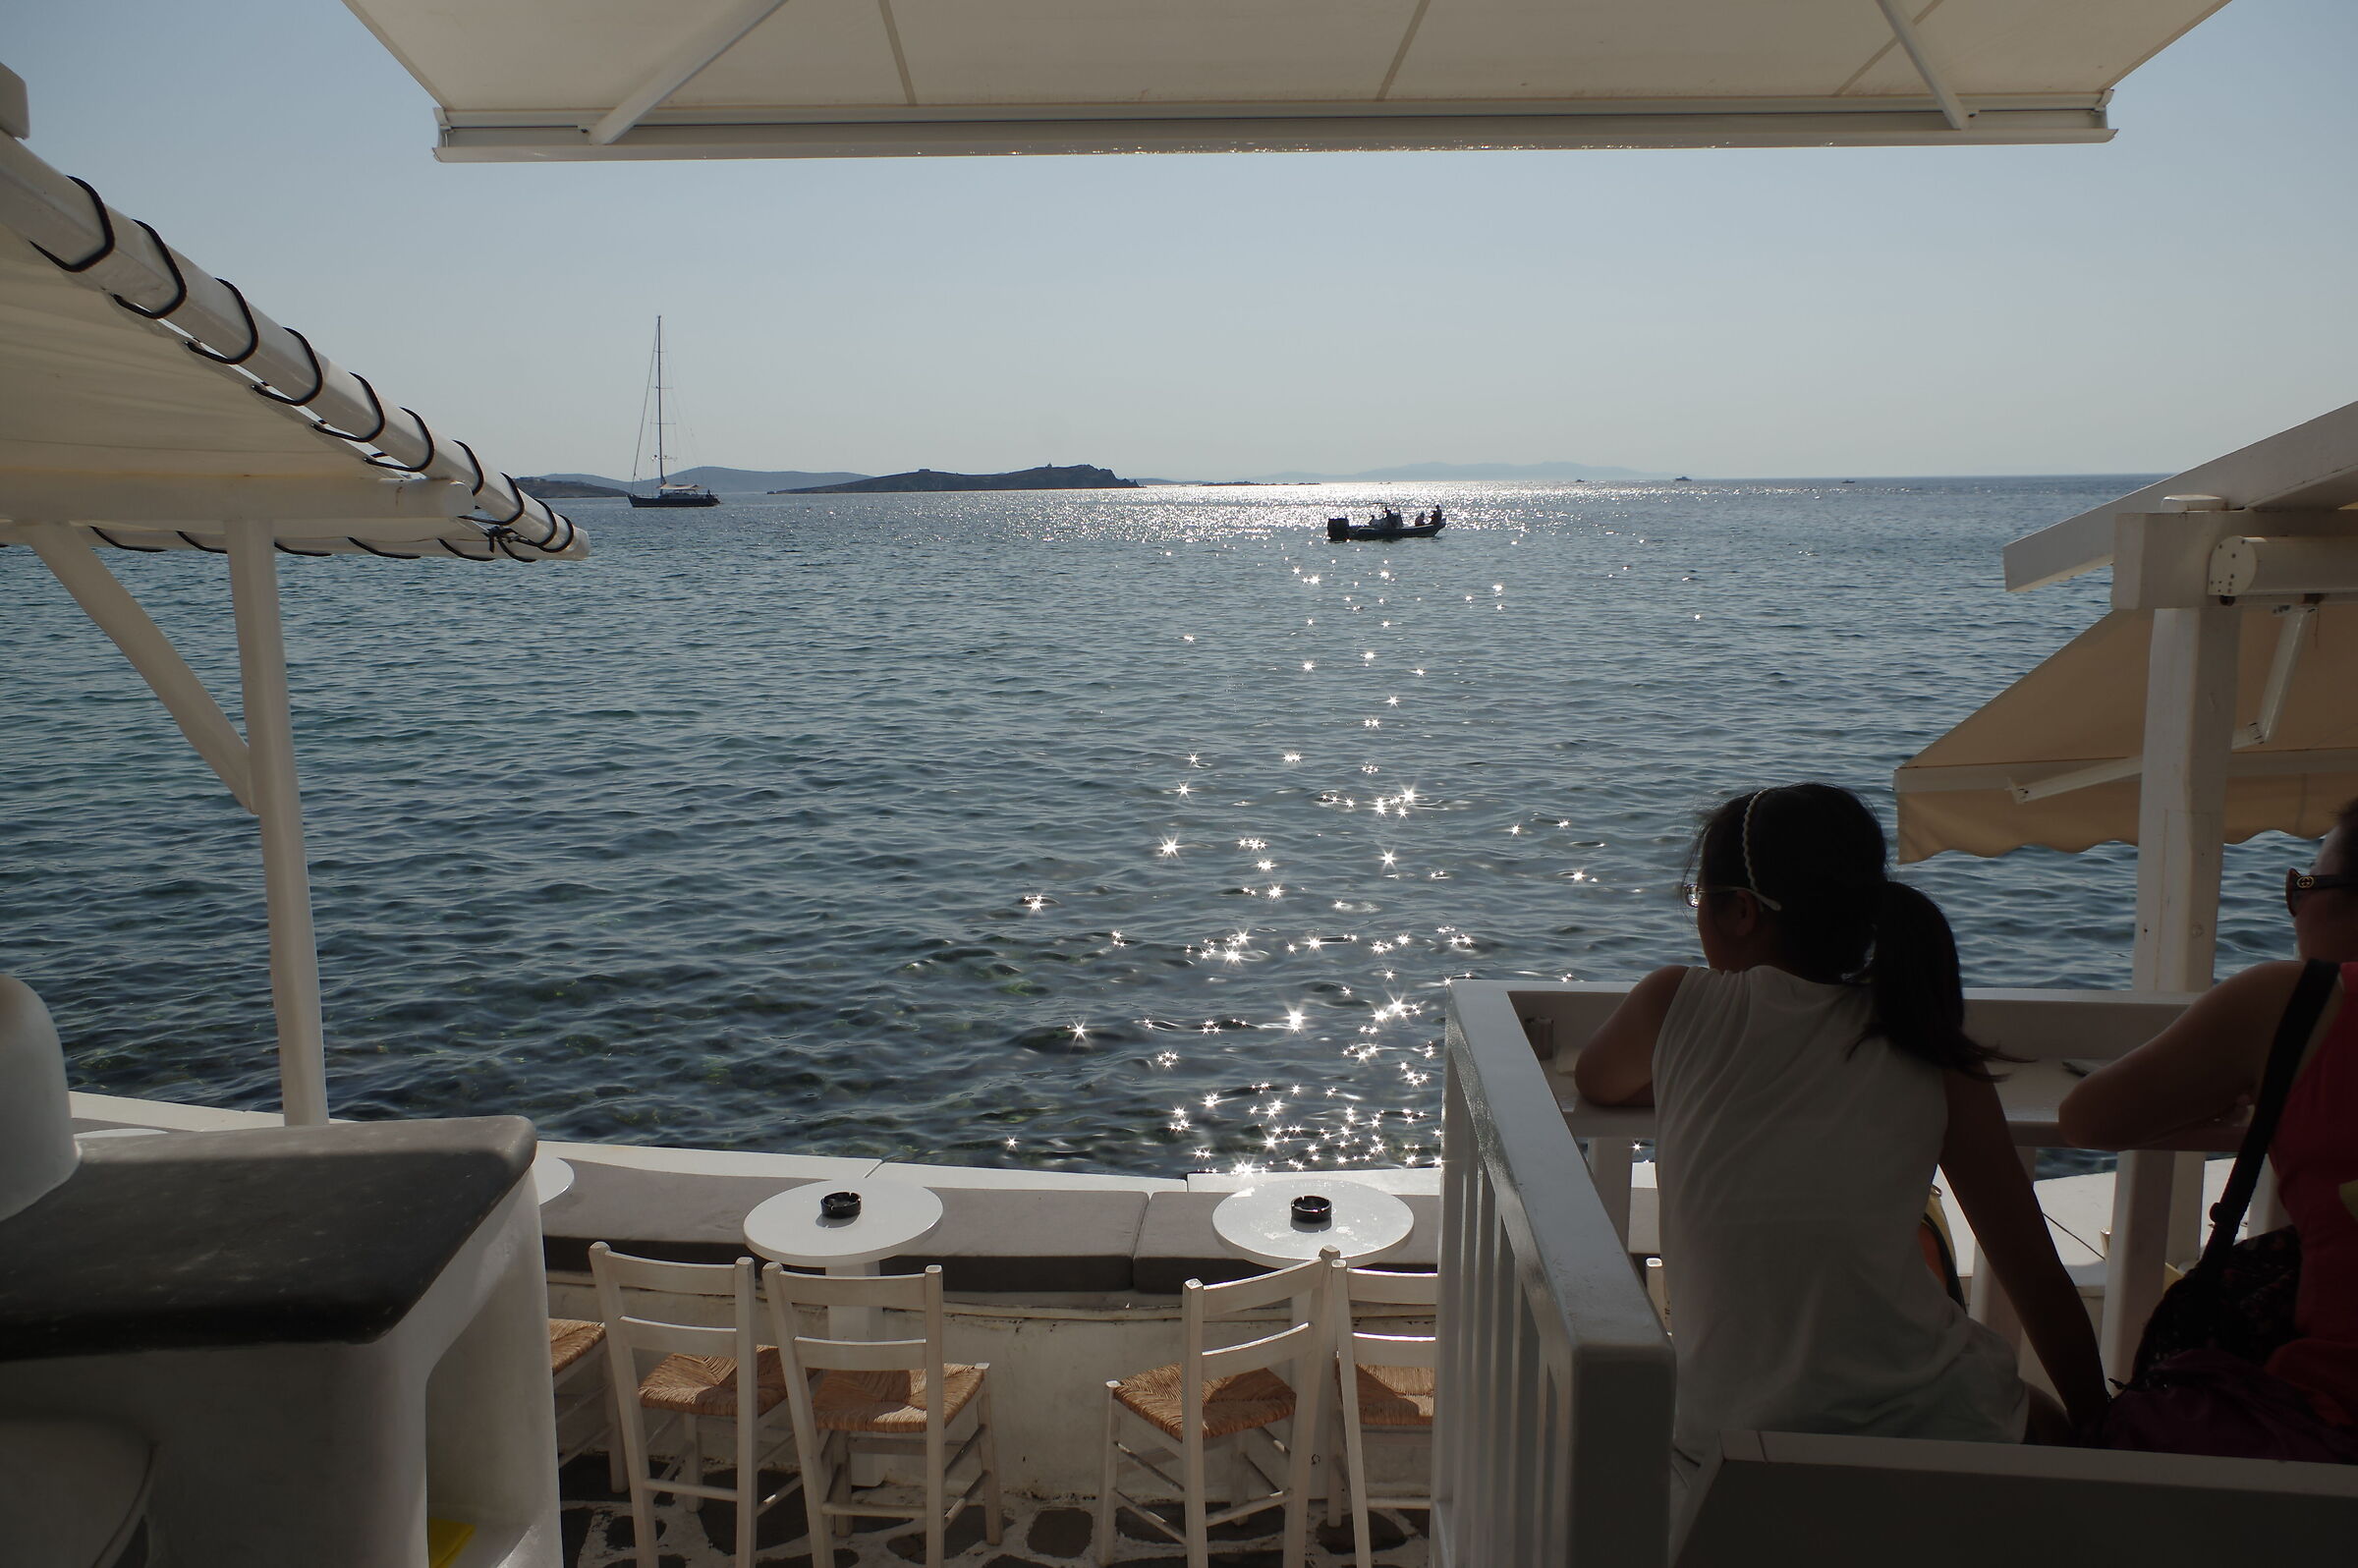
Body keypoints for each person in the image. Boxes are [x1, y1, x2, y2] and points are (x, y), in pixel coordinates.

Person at [1575, 783, 2106, 1484]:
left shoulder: (1675, 1003)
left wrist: (1682, 1081)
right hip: (1933, 1424)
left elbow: (1597, 1080)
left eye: (1698, 897)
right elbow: (2032, 1270)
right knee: (2050, 1426)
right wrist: (2101, 1428)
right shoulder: (1925, 1045)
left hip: (1727, 1442)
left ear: (1741, 912)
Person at [2060, 797, 2358, 1434]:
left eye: (2302, 887)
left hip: (2328, 1422)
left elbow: (2087, 1119)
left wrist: (2245, 1082)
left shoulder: (2293, 1003)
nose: (2294, 908)